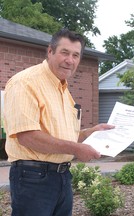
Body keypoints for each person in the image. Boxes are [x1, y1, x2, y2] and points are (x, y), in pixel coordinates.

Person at [3, 29, 115, 216]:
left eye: (75, 55)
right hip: (33, 178)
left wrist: (90, 132)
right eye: (64, 52)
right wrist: (75, 149)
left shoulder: (62, 89)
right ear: (50, 51)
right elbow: (27, 136)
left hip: (62, 176)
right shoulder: (25, 83)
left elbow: (63, 136)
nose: (70, 60)